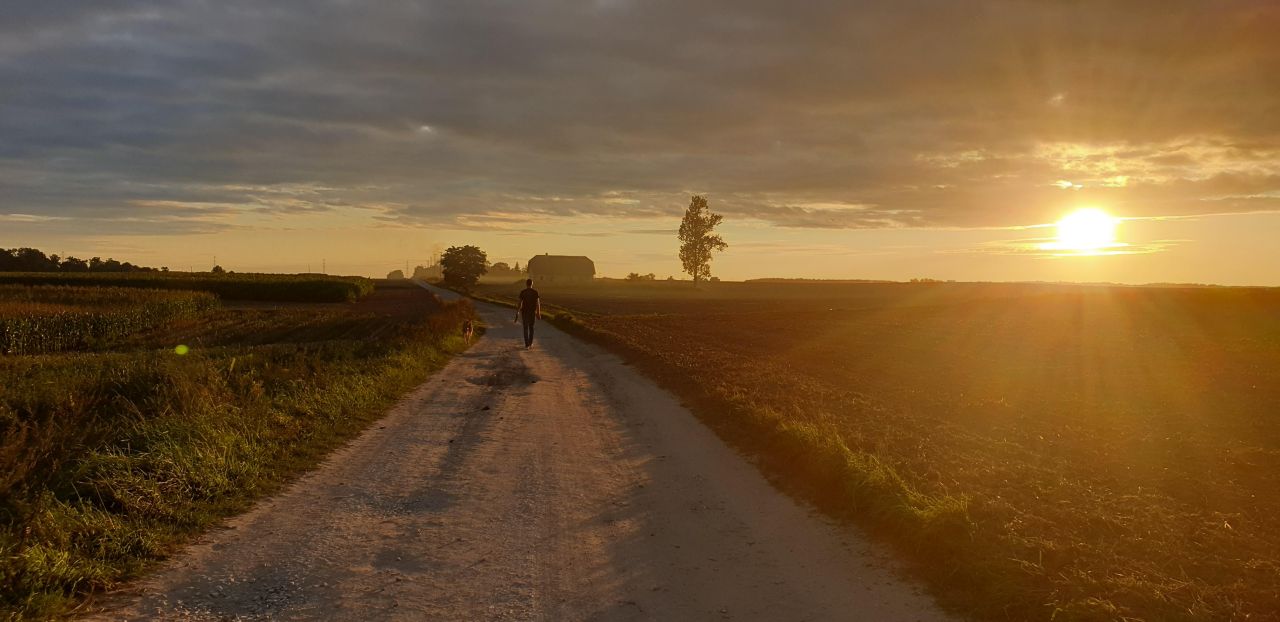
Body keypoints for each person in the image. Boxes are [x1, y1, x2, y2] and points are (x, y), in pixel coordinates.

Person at [515, 278, 541, 349]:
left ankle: (526, 345)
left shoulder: (523, 292)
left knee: (525, 328)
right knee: (531, 328)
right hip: (532, 312)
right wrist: (538, 313)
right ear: (532, 284)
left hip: (524, 312)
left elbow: (520, 303)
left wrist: (517, 311)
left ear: (526, 284)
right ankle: (530, 343)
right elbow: (538, 303)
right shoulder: (535, 292)